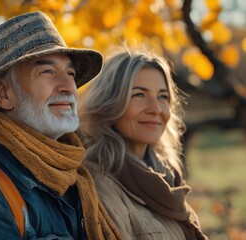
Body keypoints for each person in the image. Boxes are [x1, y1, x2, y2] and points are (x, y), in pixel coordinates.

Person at [0, 11, 121, 240]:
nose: (68, 86)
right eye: (47, 71)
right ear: (4, 94)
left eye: (70, 72)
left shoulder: (74, 178)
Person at [78, 47, 208, 240]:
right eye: (139, 94)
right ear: (109, 103)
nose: (155, 109)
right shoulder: (99, 184)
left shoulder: (167, 176)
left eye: (163, 97)